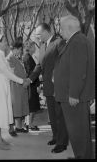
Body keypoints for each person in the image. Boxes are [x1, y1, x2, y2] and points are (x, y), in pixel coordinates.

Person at [54, 15, 95, 159]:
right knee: (80, 133)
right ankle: (83, 155)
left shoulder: (77, 41)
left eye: (61, 28)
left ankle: (82, 156)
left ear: (69, 28)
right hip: (74, 96)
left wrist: (74, 94)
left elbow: (78, 71)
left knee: (78, 133)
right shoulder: (77, 40)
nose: (60, 31)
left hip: (74, 97)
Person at [28, 23, 69, 153]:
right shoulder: (42, 46)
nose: (37, 37)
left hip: (58, 87)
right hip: (48, 88)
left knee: (60, 116)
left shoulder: (59, 43)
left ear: (47, 31)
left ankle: (62, 143)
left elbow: (65, 62)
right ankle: (56, 137)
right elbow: (39, 65)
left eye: (39, 34)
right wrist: (30, 79)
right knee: (52, 116)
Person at [0, 33, 30, 150]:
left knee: (1, 112)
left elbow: (8, 70)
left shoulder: (0, 55)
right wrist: (22, 81)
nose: (6, 42)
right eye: (4, 40)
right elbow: (7, 73)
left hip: (2, 85)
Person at [7, 39, 29, 135]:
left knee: (19, 106)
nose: (21, 51)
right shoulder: (10, 58)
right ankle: (12, 128)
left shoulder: (17, 58)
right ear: (15, 49)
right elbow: (12, 73)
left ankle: (18, 127)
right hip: (15, 86)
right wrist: (22, 80)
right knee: (15, 106)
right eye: (20, 49)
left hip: (20, 86)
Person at [23, 40, 41, 131]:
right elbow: (31, 73)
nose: (35, 48)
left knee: (31, 105)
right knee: (32, 105)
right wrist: (37, 84)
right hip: (31, 84)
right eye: (33, 47)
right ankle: (30, 124)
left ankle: (28, 123)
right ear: (30, 47)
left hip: (31, 84)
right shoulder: (28, 58)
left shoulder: (28, 57)